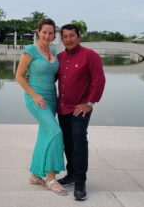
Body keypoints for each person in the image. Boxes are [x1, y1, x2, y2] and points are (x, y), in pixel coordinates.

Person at [15, 18, 67, 196]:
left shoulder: (53, 51)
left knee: (44, 135)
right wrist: (34, 94)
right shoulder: (30, 50)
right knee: (55, 131)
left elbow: (55, 75)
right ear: (38, 32)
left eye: (51, 33)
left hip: (52, 99)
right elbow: (19, 76)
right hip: (35, 98)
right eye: (44, 32)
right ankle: (51, 178)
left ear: (54, 35)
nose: (47, 35)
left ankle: (35, 175)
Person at [56, 24, 106, 200]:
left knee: (78, 138)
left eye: (72, 36)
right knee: (68, 141)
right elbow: (51, 76)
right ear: (61, 39)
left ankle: (80, 180)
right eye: (65, 36)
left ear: (79, 36)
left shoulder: (90, 56)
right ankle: (70, 174)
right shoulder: (60, 57)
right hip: (62, 107)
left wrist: (90, 103)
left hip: (80, 108)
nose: (68, 39)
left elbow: (99, 80)